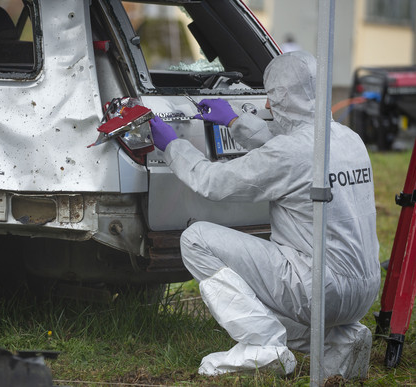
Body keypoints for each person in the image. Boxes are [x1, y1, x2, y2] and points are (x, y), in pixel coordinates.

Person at [149, 51, 380, 379]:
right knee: (258, 286)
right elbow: (287, 156)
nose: (269, 106)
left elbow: (214, 182)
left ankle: (263, 345)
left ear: (285, 97)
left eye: (272, 97)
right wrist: (234, 122)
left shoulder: (292, 153)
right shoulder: (348, 140)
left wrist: (173, 146)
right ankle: (341, 339)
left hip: (321, 289)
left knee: (197, 239)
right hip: (364, 290)